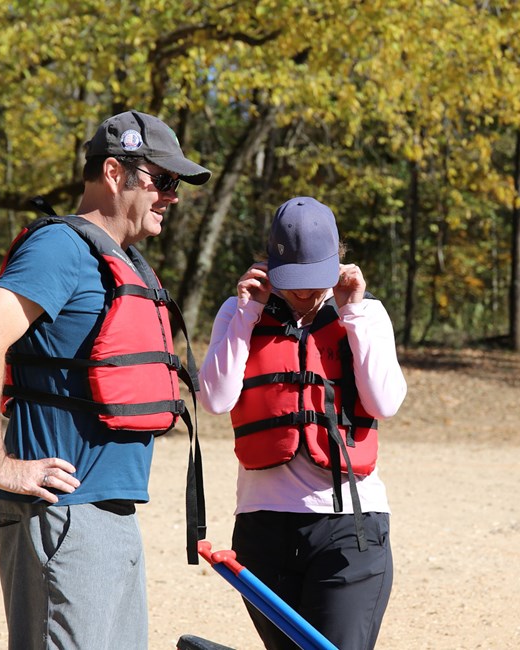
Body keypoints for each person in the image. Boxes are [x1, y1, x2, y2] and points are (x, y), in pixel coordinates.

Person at [0, 110, 211, 650]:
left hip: (110, 514)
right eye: (163, 180)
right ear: (114, 172)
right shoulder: (61, 248)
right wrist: (0, 466)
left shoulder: (124, 260)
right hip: (64, 517)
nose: (173, 196)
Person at [198, 196, 407, 650]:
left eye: (315, 282)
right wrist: (245, 315)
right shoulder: (239, 313)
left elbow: (385, 402)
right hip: (262, 529)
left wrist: (351, 314)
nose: (305, 294)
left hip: (351, 530)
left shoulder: (367, 313)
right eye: (292, 282)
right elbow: (214, 399)